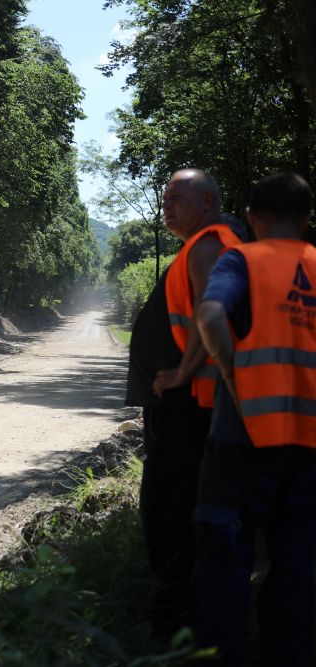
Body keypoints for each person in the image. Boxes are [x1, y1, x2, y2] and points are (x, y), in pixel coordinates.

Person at [194, 172, 316, 666]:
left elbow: (209, 315)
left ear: (250, 218)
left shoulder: (241, 257)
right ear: (307, 219)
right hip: (309, 444)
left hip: (240, 437)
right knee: (299, 566)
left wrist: (228, 369)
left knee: (223, 558)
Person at [126, 168, 240, 627]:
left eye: (178, 197)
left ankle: (176, 616)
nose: (166, 205)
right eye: (165, 197)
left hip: (192, 405)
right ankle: (179, 607)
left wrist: (182, 373)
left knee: (170, 509)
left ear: (209, 202)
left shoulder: (209, 244)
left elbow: (209, 315)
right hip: (187, 405)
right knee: (170, 505)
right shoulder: (201, 244)